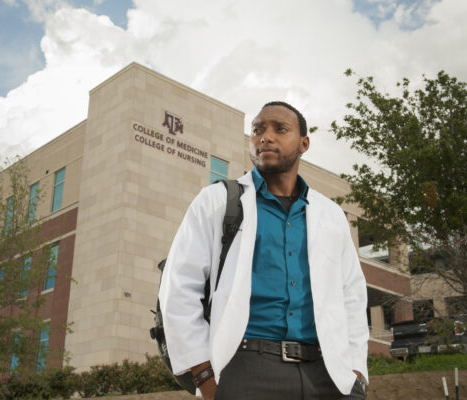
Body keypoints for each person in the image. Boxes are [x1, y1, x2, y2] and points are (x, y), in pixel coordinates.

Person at [158, 101, 369, 399]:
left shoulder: (331, 215)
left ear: (304, 143)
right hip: (246, 368)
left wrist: (356, 371)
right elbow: (178, 288)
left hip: (329, 374)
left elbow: (352, 295)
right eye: (257, 130)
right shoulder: (218, 201)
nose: (265, 137)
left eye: (280, 129)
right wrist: (204, 376)